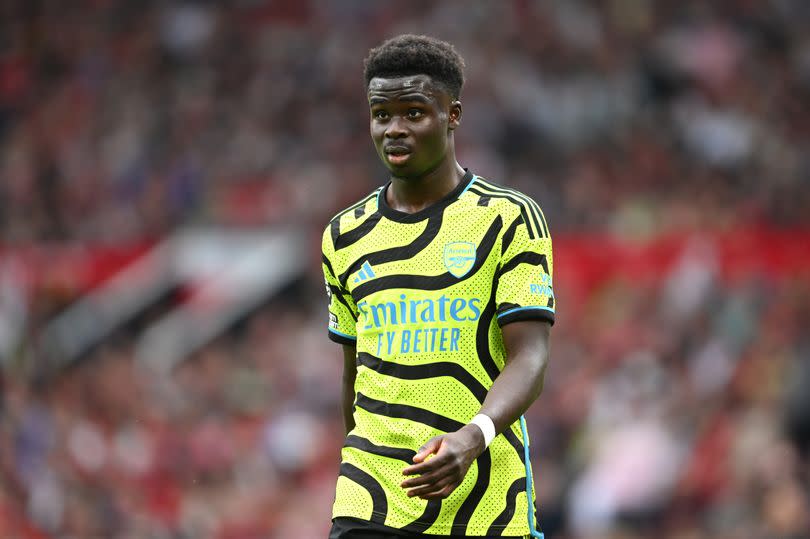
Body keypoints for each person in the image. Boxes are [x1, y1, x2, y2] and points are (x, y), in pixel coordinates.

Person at [322, 34, 554, 538]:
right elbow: (352, 374)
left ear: (452, 115)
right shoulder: (344, 236)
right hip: (372, 502)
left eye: (414, 113)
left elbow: (530, 359)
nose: (394, 130)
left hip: (485, 504)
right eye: (382, 115)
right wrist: (369, 465)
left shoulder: (507, 218)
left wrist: (474, 436)